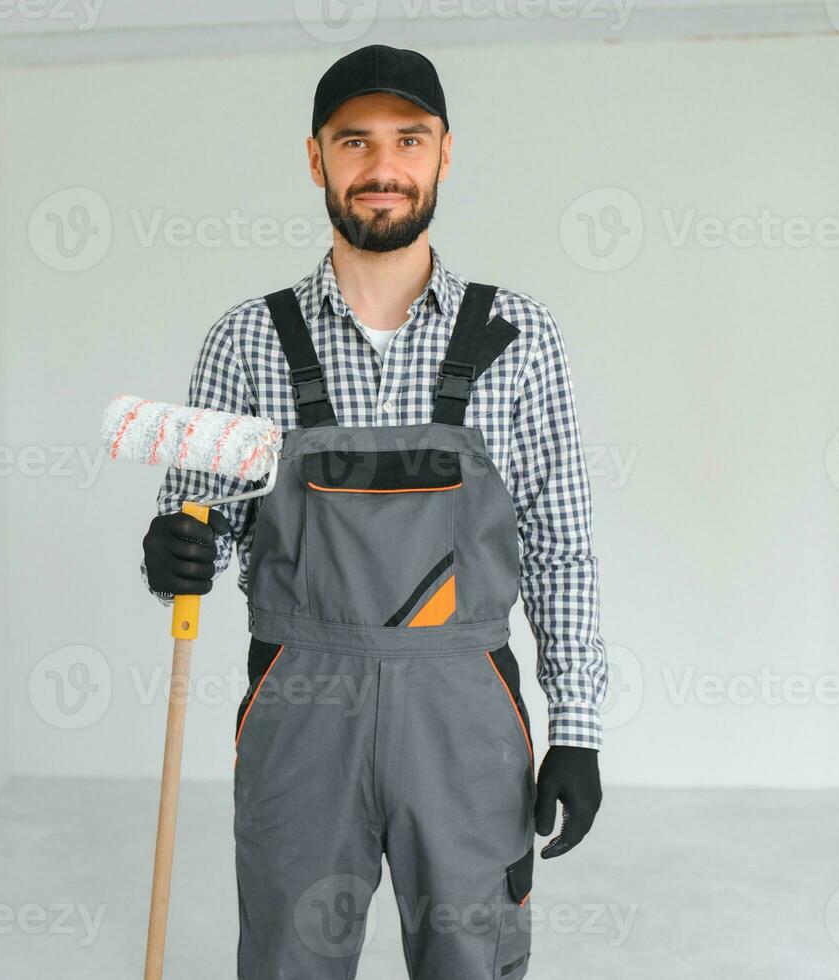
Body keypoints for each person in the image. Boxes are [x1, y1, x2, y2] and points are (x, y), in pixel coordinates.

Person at [140, 44, 607, 979]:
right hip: (300, 708)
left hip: (465, 714)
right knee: (287, 960)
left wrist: (578, 729)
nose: (381, 166)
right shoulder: (244, 340)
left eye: (408, 139)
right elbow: (199, 526)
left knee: (469, 957)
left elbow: (560, 546)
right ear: (316, 159)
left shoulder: (518, 337)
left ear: (443, 155)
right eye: (354, 142)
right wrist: (169, 552)